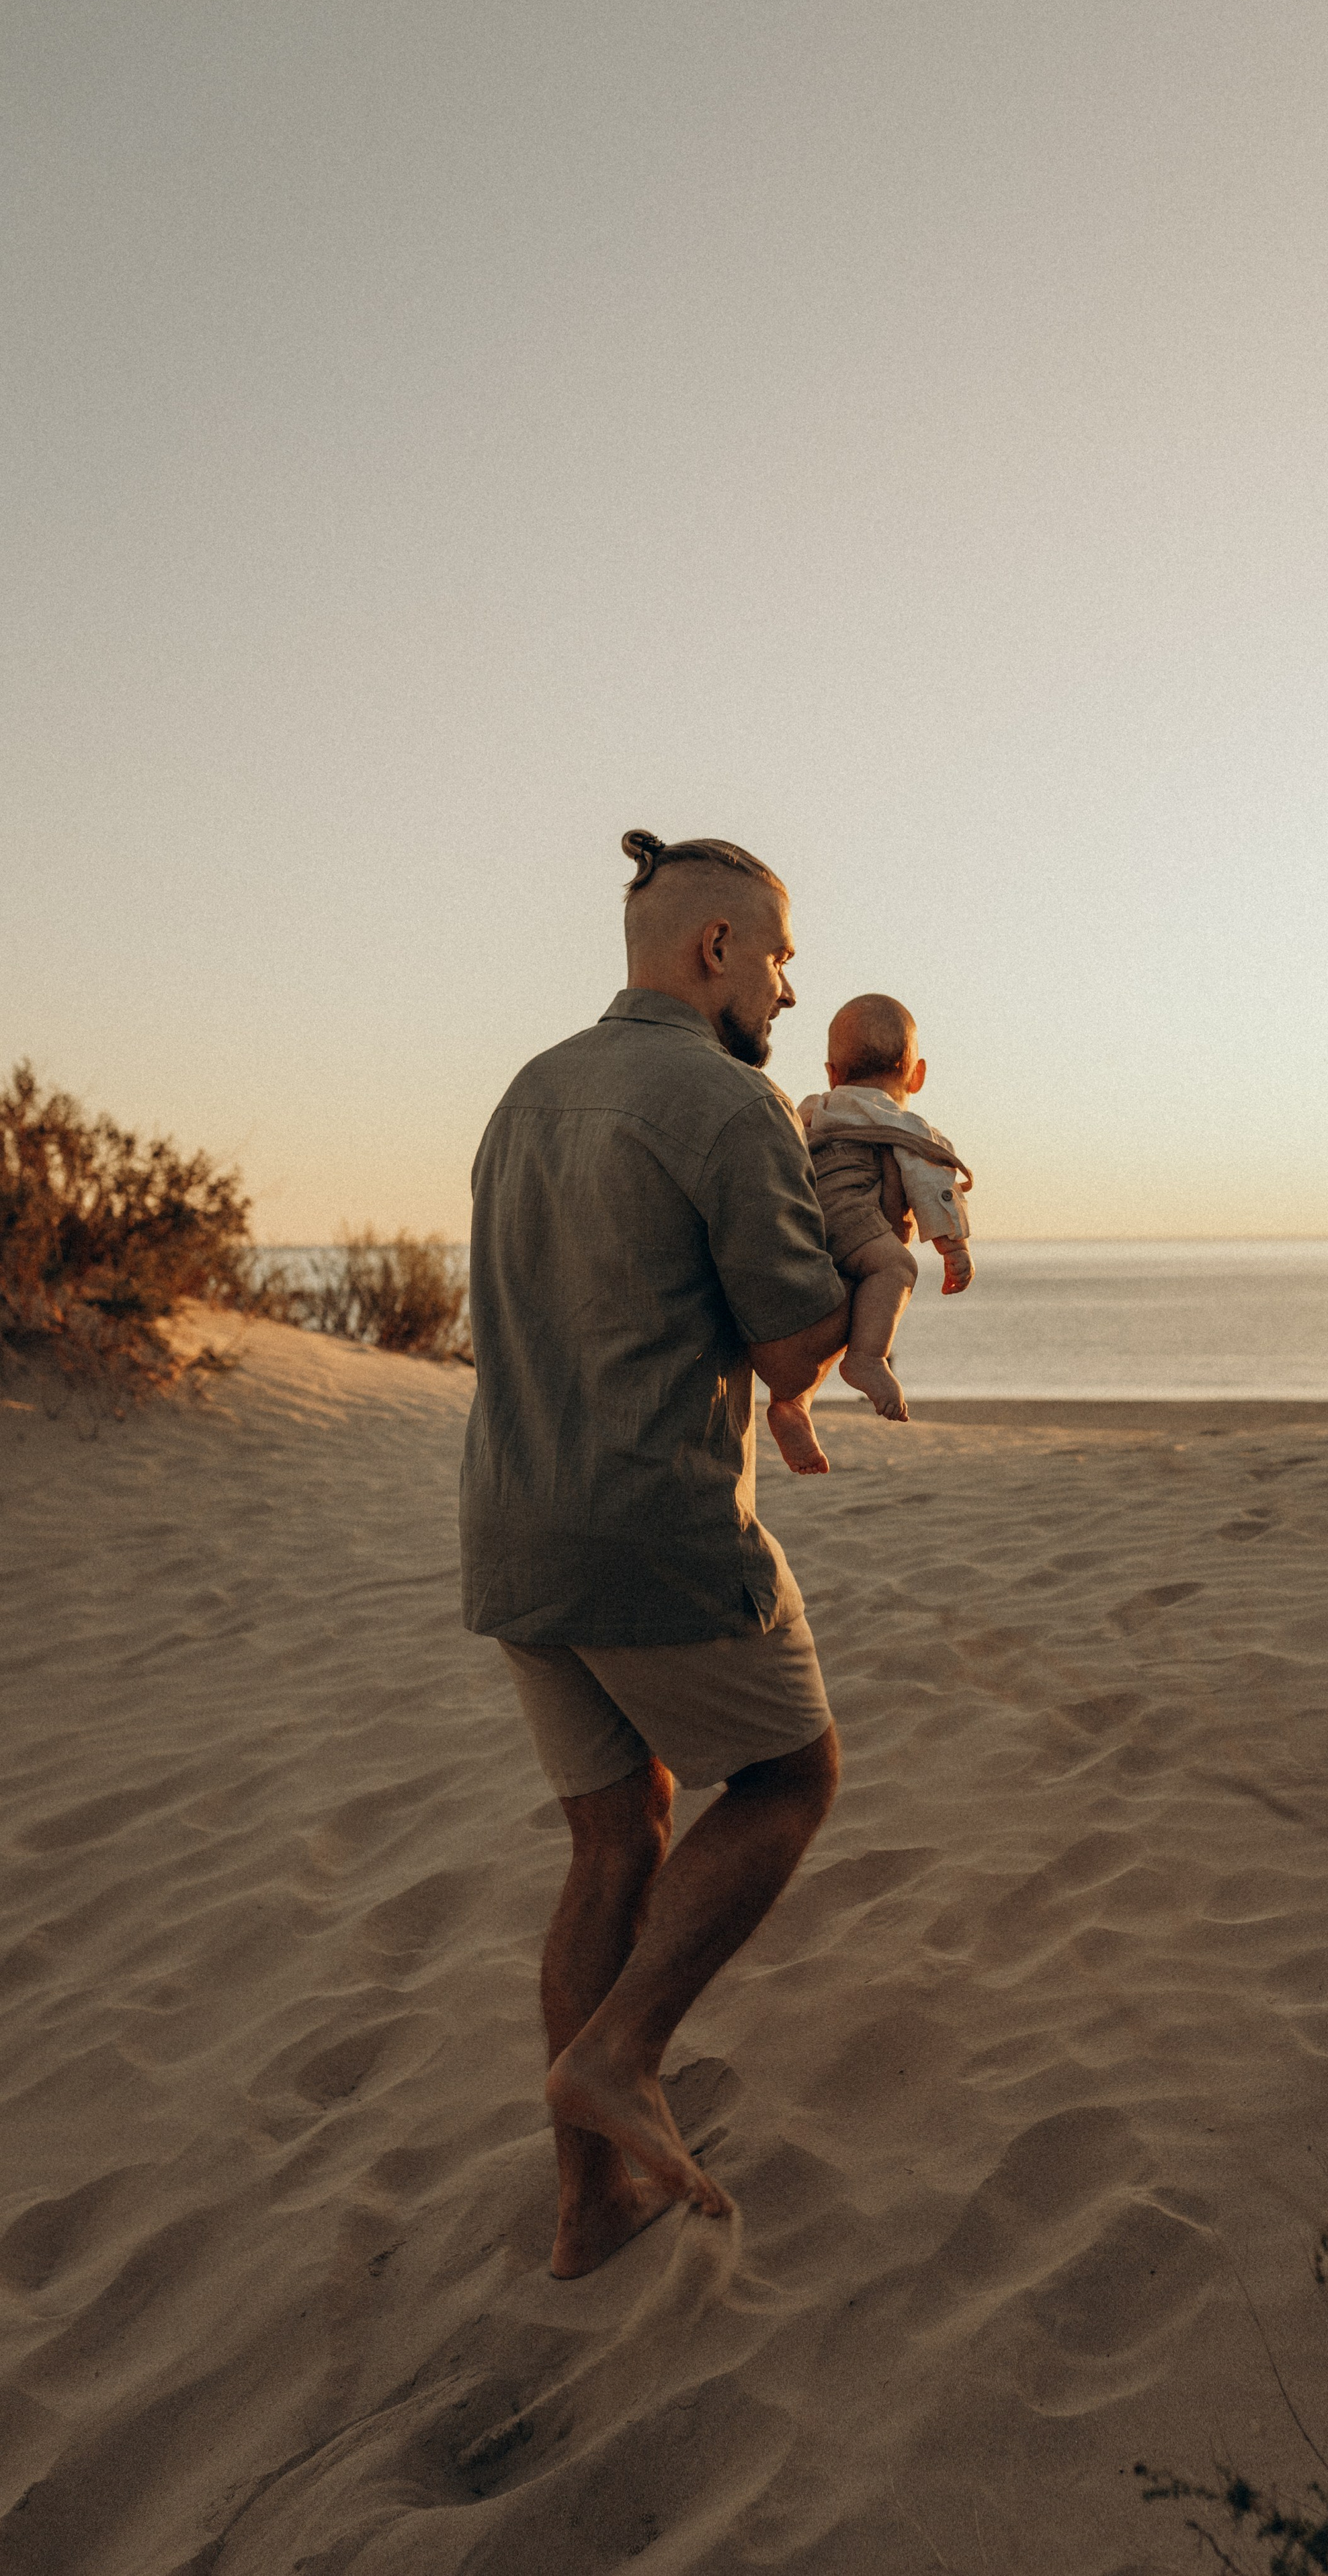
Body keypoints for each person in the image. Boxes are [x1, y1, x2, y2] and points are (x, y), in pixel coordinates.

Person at [460, 827, 849, 2276]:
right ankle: (620, 2055)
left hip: (511, 1526)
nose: (791, 994)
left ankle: (586, 2210)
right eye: (782, 959)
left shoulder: (529, 1091)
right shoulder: (723, 1098)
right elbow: (786, 1337)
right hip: (653, 1528)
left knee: (614, 1838)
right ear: (717, 951)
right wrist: (868, 1265)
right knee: (791, 1778)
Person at [775, 995, 972, 1447]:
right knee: (897, 1268)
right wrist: (953, 1246)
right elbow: (930, 1180)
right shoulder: (900, 1122)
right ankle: (867, 1358)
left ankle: (796, 1404)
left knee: (850, 1301)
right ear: (916, 1075)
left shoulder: (811, 1108)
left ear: (832, 1073)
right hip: (852, 1218)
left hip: (803, 1223)